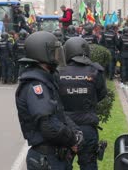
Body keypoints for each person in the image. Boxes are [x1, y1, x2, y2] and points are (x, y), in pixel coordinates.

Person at [15, 31, 83, 170]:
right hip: (47, 158)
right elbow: (48, 126)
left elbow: (59, 113)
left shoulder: (46, 79)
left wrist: (76, 131)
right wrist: (71, 139)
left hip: (56, 156)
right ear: (42, 54)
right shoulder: (35, 85)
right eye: (53, 52)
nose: (57, 56)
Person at [58, 37, 107, 170]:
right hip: (87, 127)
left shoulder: (57, 72)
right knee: (89, 165)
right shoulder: (95, 70)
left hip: (64, 128)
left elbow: (53, 98)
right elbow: (101, 94)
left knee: (62, 164)